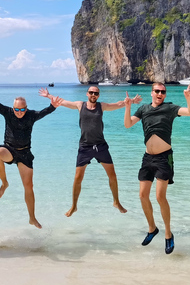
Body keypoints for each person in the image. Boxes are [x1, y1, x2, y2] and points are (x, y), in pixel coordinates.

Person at [38, 86, 141, 217]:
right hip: (85, 147)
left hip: (100, 146)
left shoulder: (101, 106)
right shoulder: (80, 105)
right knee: (77, 178)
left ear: (98, 95)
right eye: (91, 92)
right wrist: (48, 95)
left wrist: (131, 100)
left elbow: (117, 104)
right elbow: (62, 101)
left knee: (112, 176)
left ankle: (116, 202)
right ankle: (74, 206)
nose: (93, 94)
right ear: (87, 94)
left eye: (96, 93)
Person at [0, 80, 62, 229]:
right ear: (13, 108)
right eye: (17, 109)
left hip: (25, 154)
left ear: (26, 109)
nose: (19, 113)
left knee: (29, 187)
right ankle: (4, 182)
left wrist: (53, 106)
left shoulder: (31, 115)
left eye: (22, 110)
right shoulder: (7, 112)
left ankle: (32, 218)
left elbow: (44, 112)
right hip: (9, 149)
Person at [124, 83, 190, 254]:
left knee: (160, 197)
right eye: (157, 91)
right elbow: (128, 124)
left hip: (164, 158)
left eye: (163, 92)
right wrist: (127, 107)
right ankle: (152, 228)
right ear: (151, 93)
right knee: (142, 195)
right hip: (147, 158)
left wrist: (188, 98)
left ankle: (168, 234)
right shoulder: (143, 108)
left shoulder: (170, 108)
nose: (160, 94)